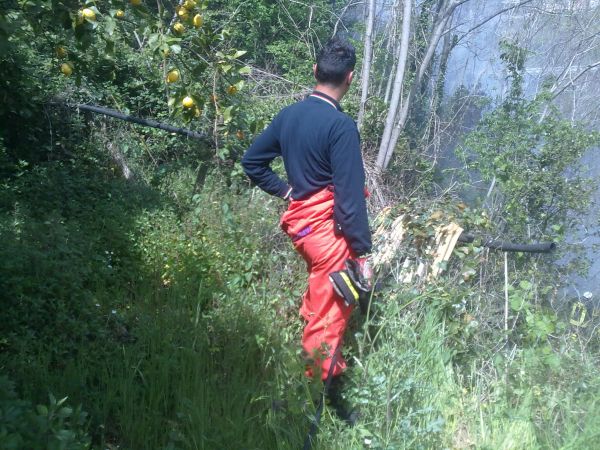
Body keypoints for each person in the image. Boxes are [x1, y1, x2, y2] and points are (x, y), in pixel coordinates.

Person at [241, 37, 372, 410]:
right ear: (349, 78)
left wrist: (288, 192)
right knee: (329, 319)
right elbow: (349, 200)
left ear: (315, 71)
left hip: (303, 231)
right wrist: (363, 252)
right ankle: (309, 400)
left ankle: (323, 388)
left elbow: (252, 162)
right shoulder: (341, 126)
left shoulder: (288, 116)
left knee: (322, 302)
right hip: (330, 236)